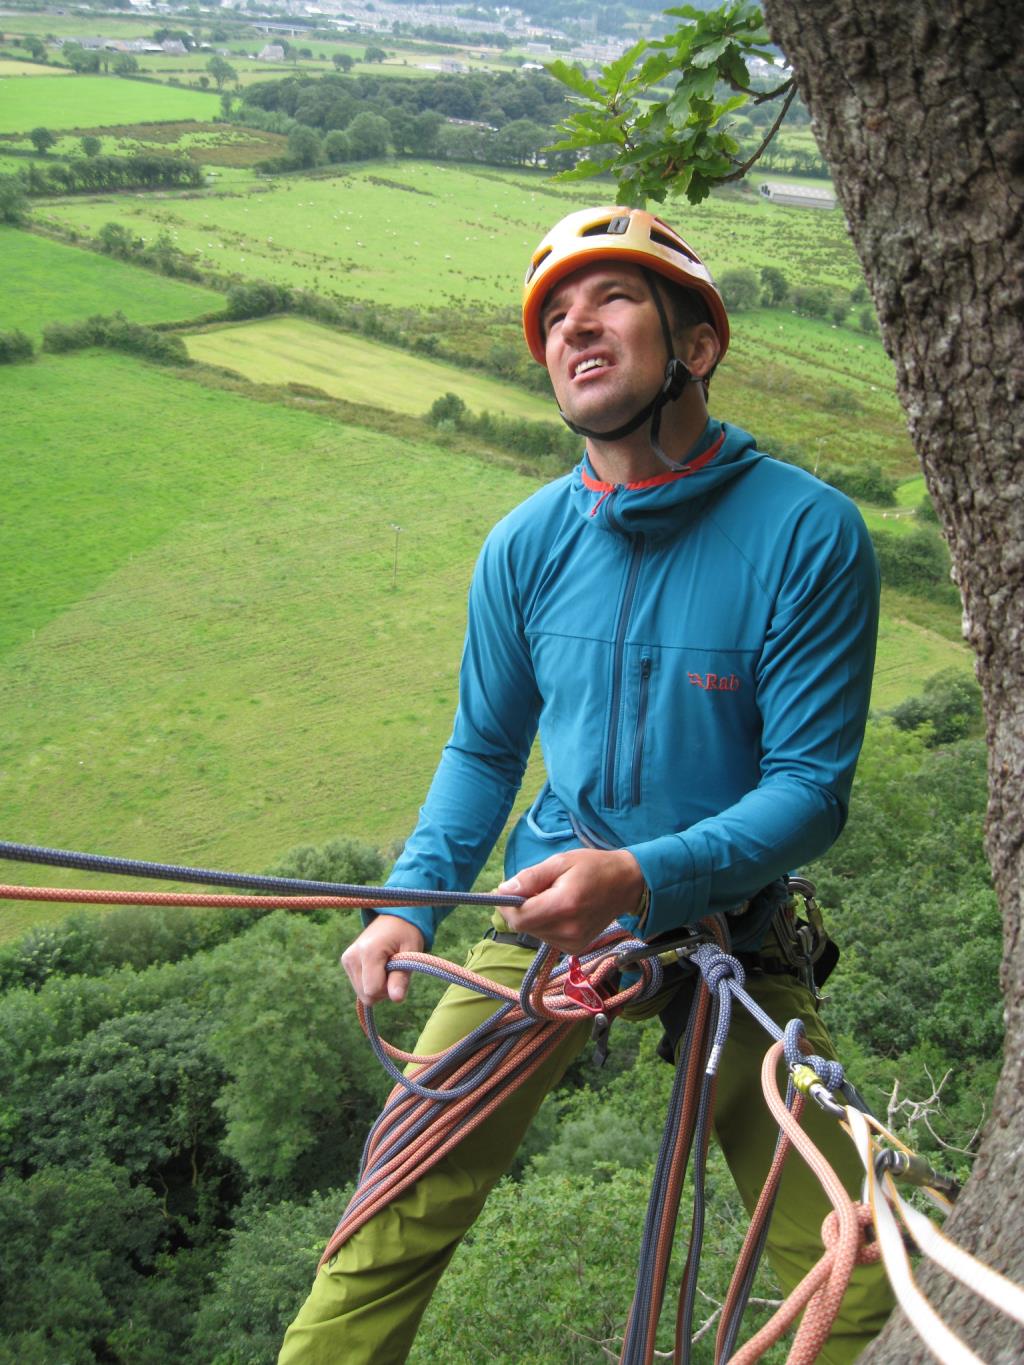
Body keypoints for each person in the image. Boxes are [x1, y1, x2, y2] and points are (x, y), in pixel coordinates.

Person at [280, 206, 894, 1364]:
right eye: (555, 315)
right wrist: (410, 903)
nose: (574, 328)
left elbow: (810, 788)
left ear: (695, 346)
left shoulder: (806, 533)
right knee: (387, 1219)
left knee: (853, 1265)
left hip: (729, 922)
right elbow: (483, 751)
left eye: (611, 299)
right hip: (548, 908)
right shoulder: (524, 547)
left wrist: (642, 876)